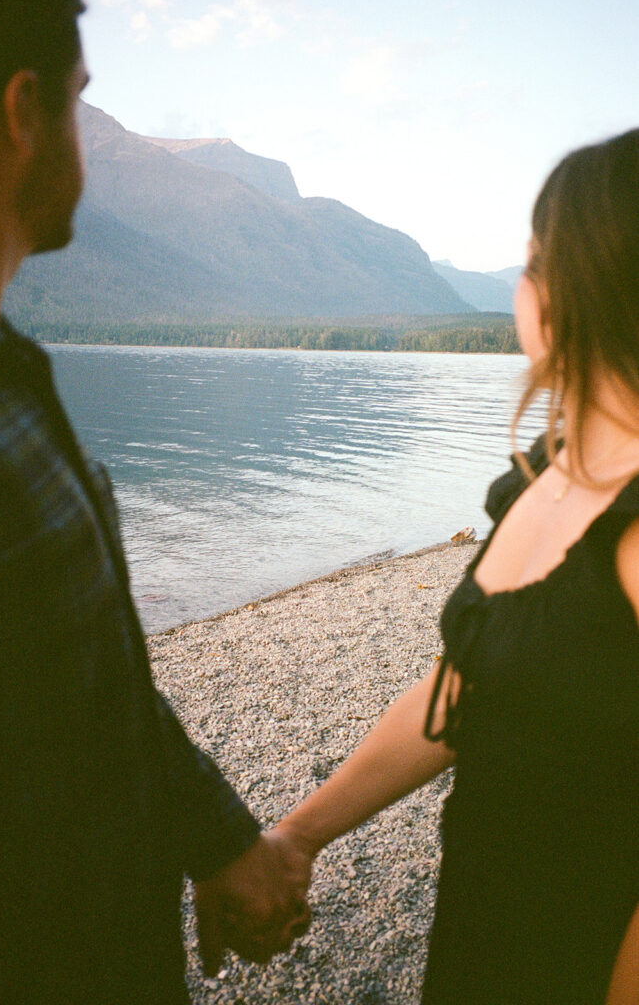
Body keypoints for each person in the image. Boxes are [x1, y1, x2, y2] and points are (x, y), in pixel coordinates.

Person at [0, 0, 309, 1002]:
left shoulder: (4, 384)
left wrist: (220, 840)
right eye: (78, 100)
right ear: (24, 112)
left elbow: (85, 679)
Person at [270, 129, 639, 1004]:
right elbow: (459, 691)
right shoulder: (539, 480)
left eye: (532, 262)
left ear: (577, 285)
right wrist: (297, 837)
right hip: (483, 939)